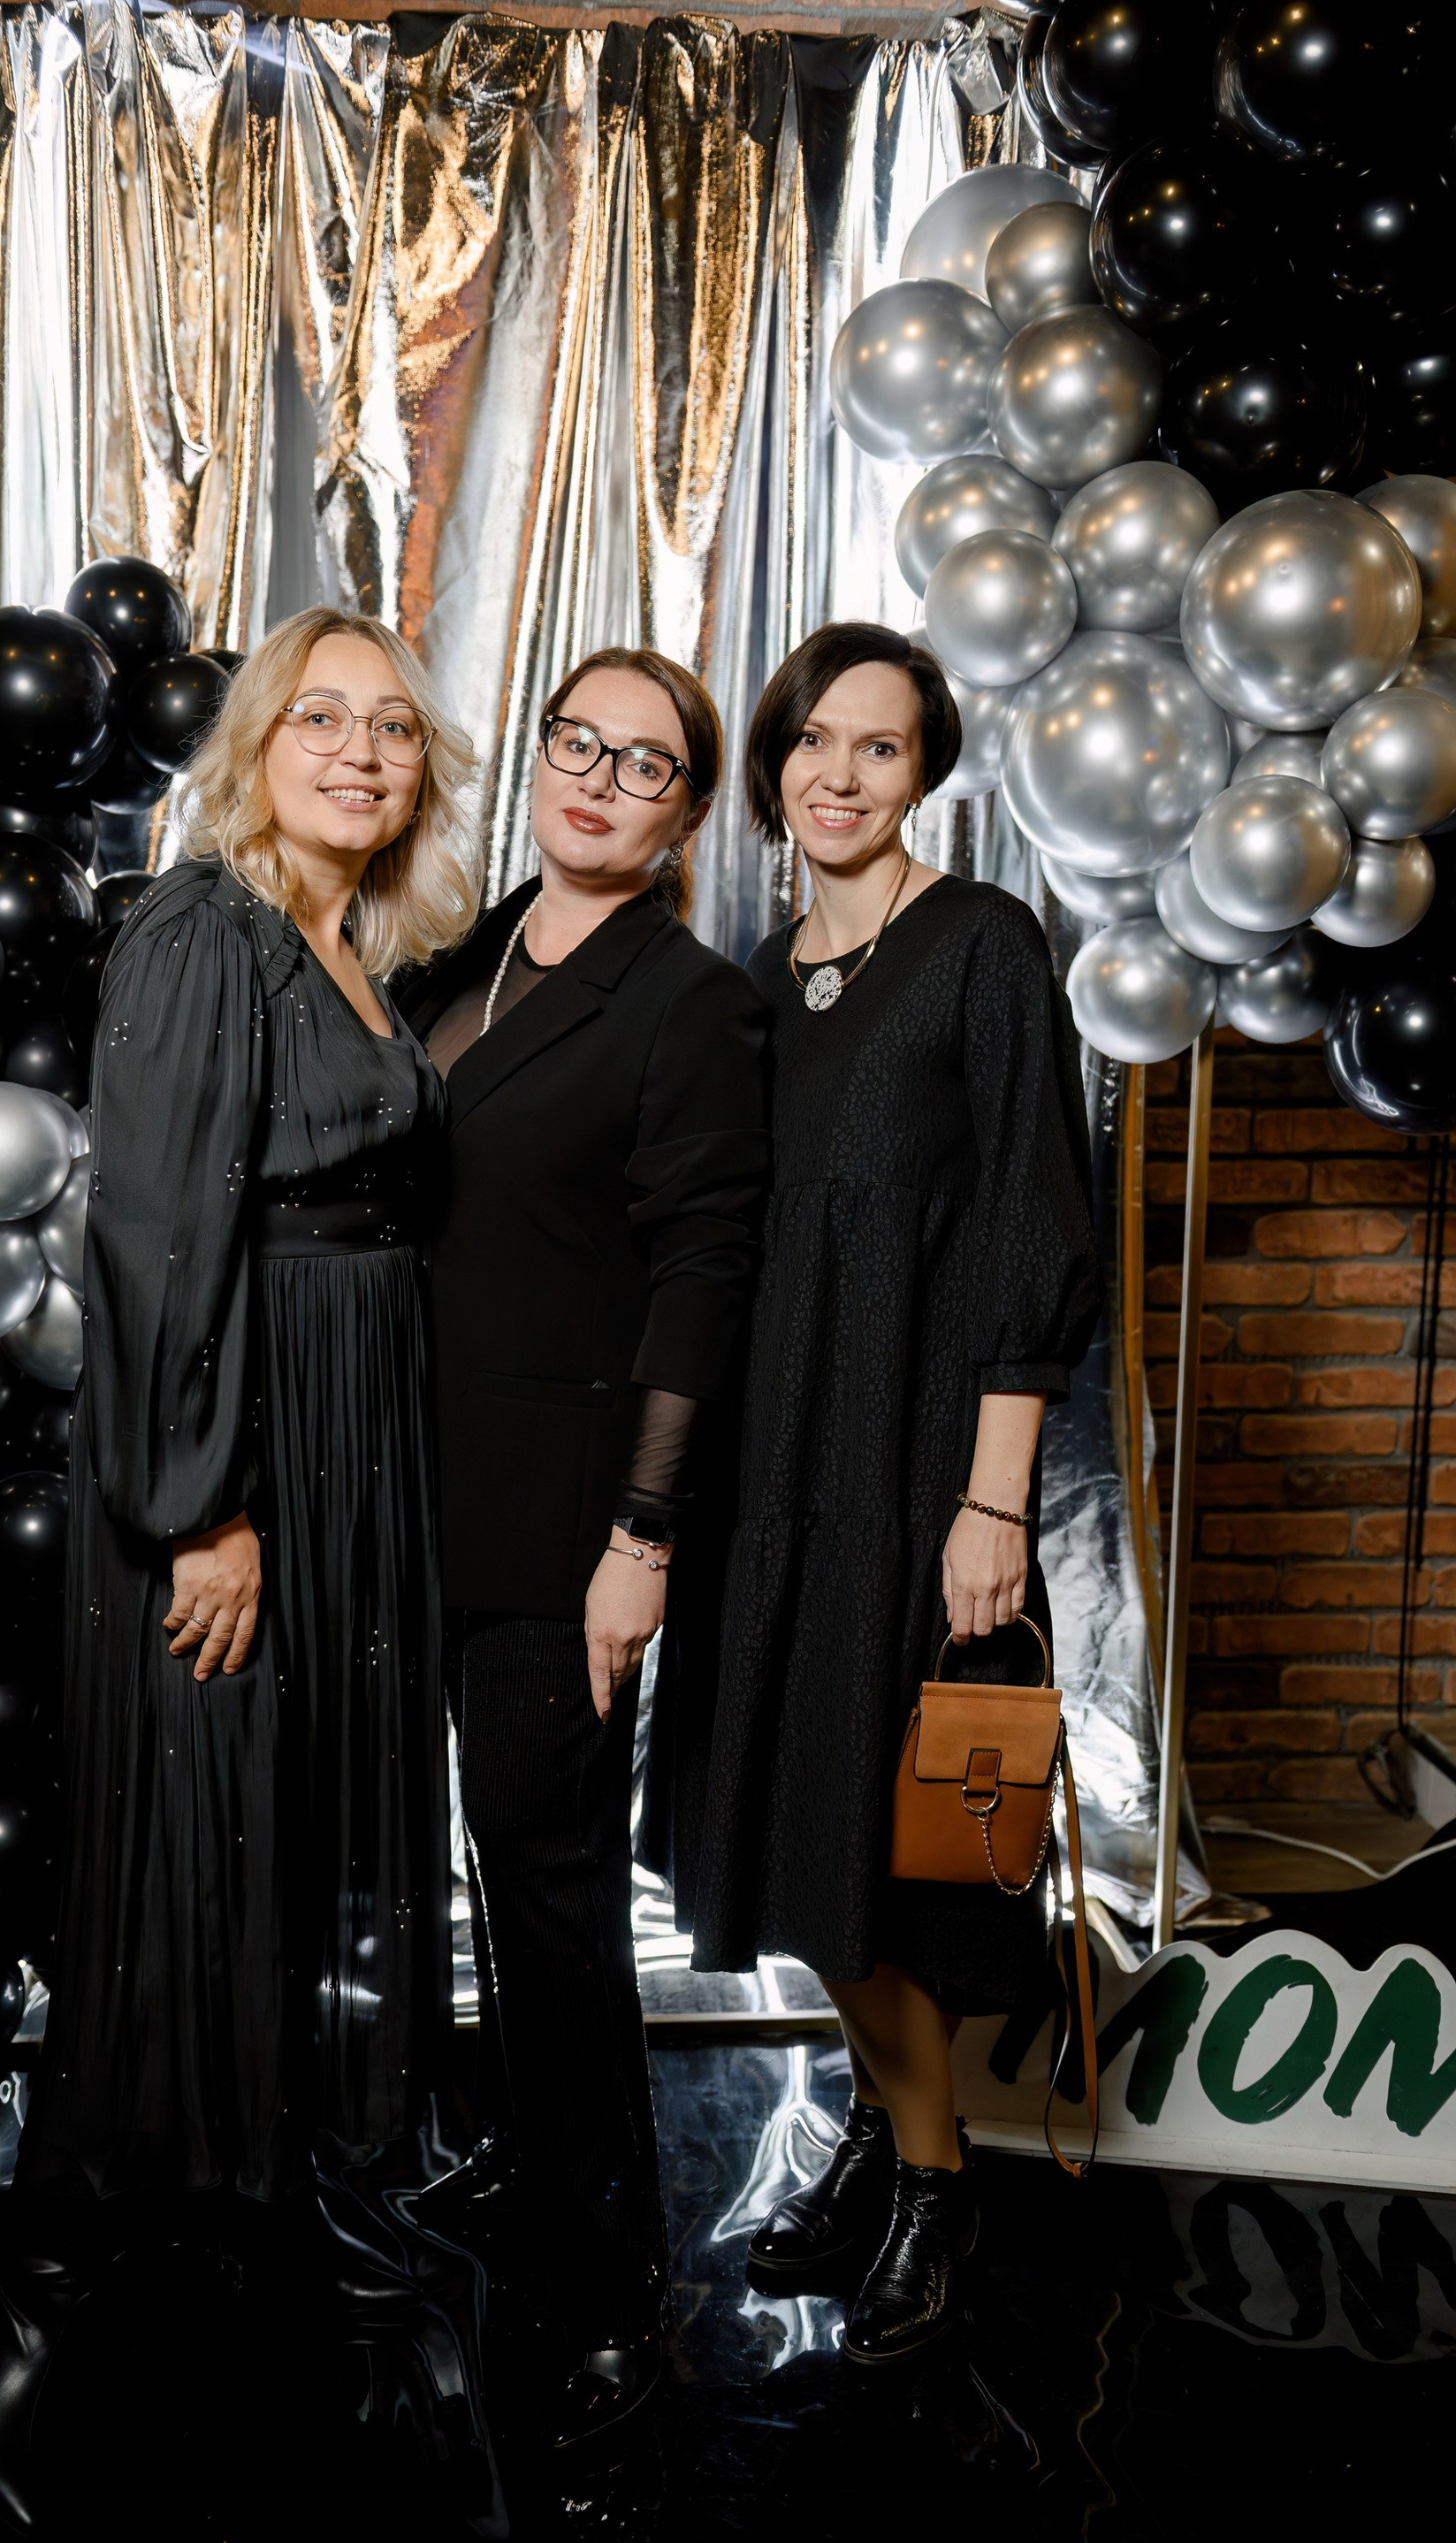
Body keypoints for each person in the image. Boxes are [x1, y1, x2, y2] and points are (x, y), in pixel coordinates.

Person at [0, 613, 484, 2518]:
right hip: (242, 1465)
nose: (358, 751)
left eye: (391, 728)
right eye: (319, 719)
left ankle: (307, 2246)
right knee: (195, 1854)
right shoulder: (205, 931)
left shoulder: (354, 949)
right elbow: (157, 1239)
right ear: (257, 745)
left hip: (350, 1451)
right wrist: (204, 1508)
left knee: (304, 1837)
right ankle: (58, 2326)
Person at [690, 622, 1101, 2366]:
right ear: (776, 761)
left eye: (879, 746)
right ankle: (881, 2128)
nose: (839, 774)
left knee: (880, 1844)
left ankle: (935, 2184)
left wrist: (992, 1504)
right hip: (769, 1472)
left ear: (924, 773)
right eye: (814, 741)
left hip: (915, 1467)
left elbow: (1030, 1220)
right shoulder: (760, 974)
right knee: (808, 1837)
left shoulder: (982, 946)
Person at [399, 646, 768, 2448]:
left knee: (551, 1893)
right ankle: (514, 2157)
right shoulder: (460, 957)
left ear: (685, 812)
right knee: (473, 1867)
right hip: (408, 1492)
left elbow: (705, 1278)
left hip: (562, 1524)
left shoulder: (690, 1004)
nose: (600, 780)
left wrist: (646, 1534)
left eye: (645, 764)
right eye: (578, 744)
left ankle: (611, 2273)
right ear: (538, 755)